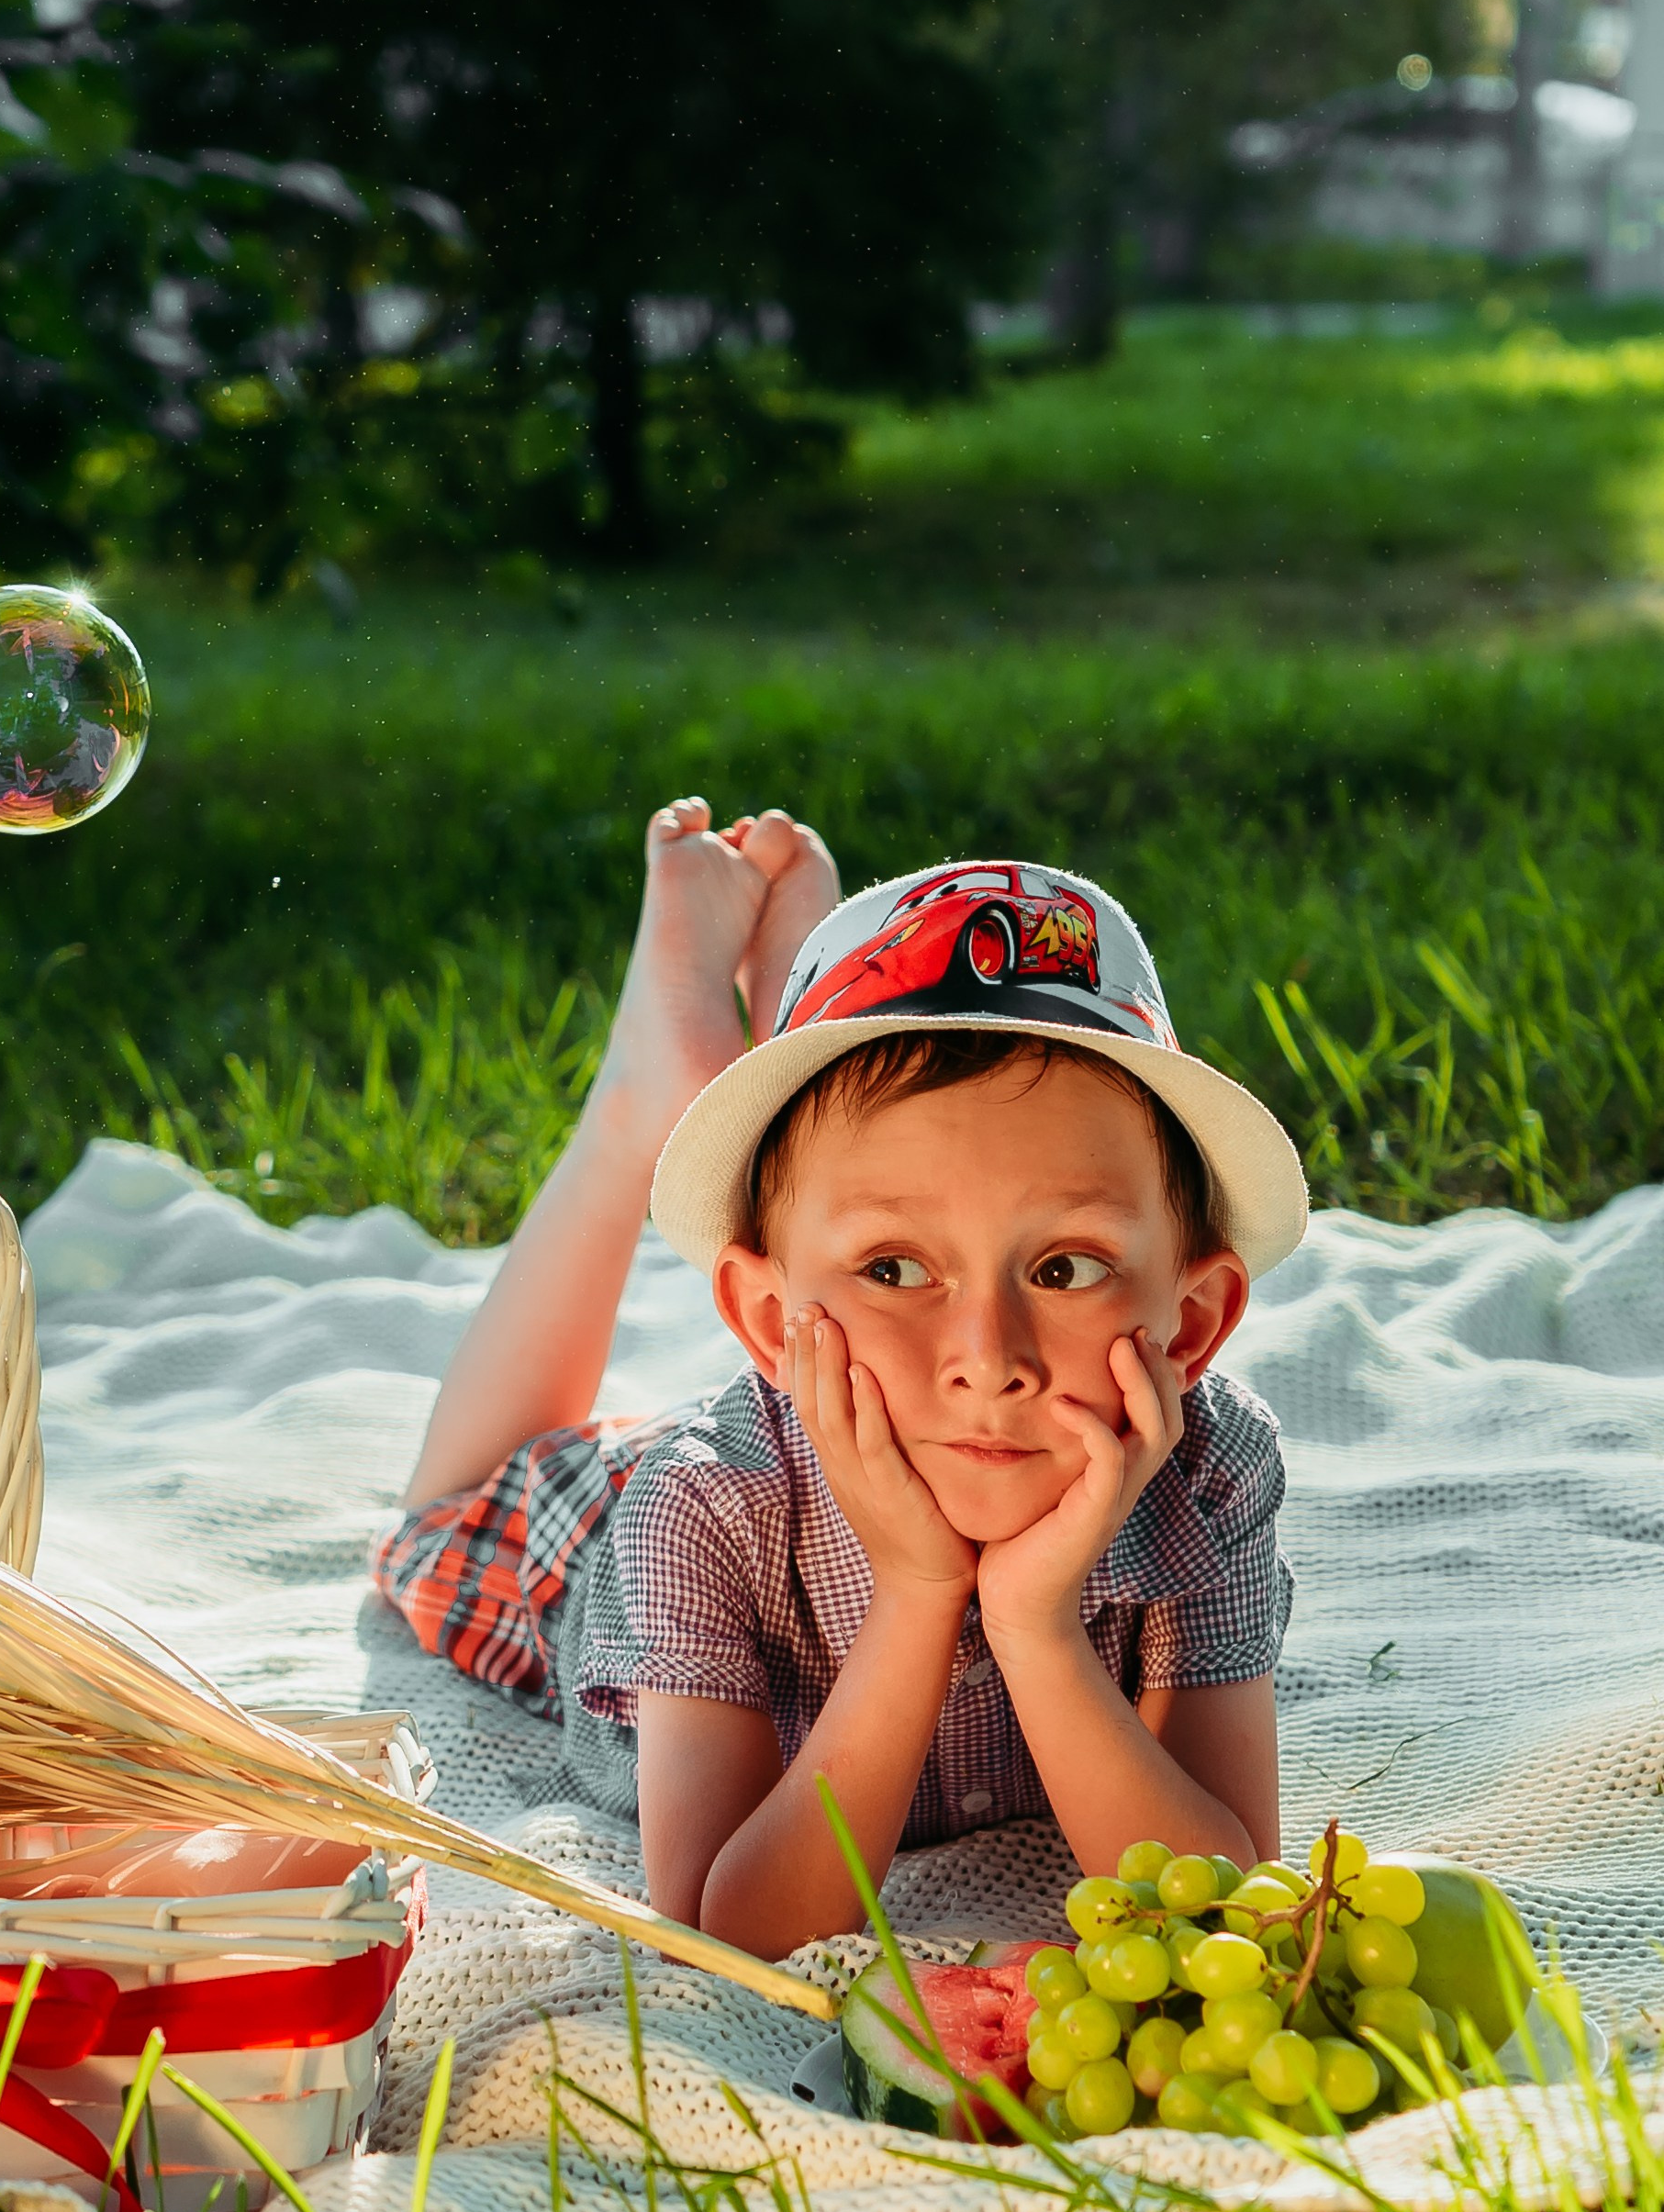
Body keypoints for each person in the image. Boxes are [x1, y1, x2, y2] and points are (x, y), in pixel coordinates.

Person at [375, 800, 1307, 1961]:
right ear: (768, 1318)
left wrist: (1035, 1628)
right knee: (440, 1514)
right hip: (627, 1533)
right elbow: (731, 1922)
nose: (986, 1358)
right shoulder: (698, 1510)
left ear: (1192, 1322)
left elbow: (1227, 1900)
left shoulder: (1209, 1470)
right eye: (894, 1266)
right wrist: (920, 1592)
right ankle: (639, 1105)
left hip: (843, 1420)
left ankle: (795, 1025)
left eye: (1064, 1266)